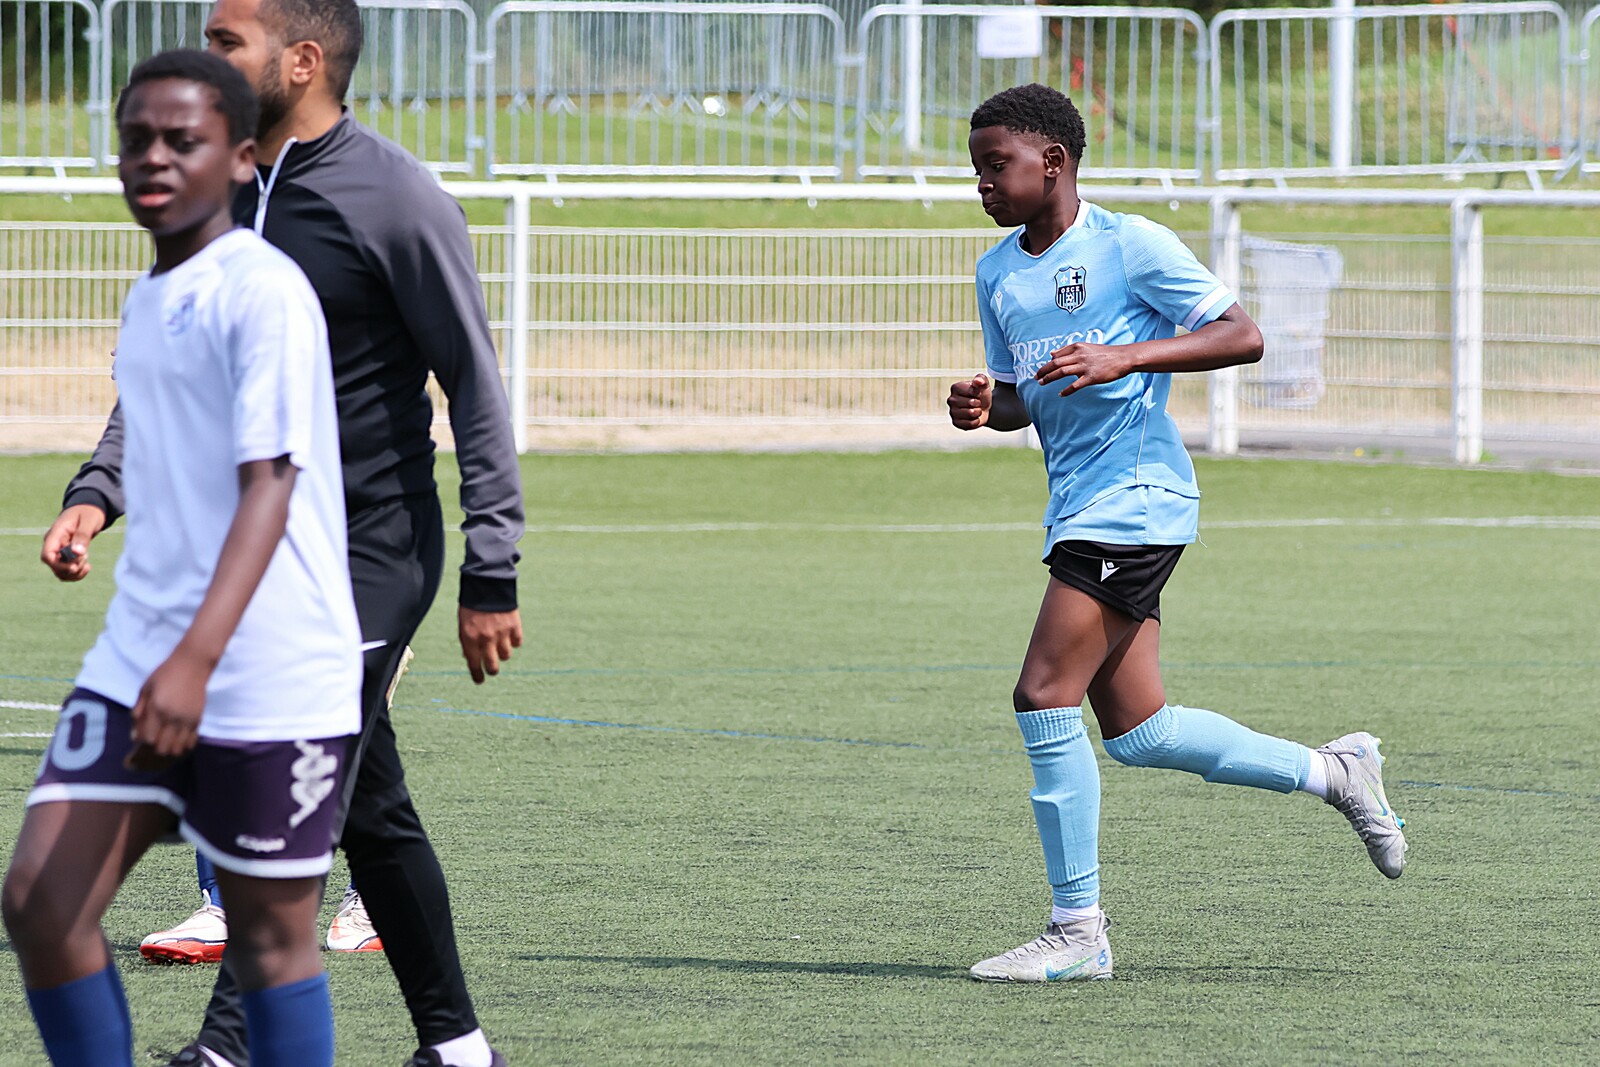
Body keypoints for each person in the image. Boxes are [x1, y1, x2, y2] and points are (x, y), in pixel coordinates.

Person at [40, 0, 523, 1063]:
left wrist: (492, 563)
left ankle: (225, 1047)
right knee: (368, 803)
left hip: (369, 551)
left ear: (301, 61)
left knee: (295, 797)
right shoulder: (217, 190)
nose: (204, 52)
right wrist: (101, 487)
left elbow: (476, 387)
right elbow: (175, 364)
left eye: (227, 40)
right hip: (247, 557)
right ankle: (458, 1045)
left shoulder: (395, 198)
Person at [945, 84, 1407, 983]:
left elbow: (1242, 335)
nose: (984, 184)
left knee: (1043, 692)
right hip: (1080, 506)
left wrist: (1125, 354)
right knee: (1140, 729)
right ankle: (1336, 771)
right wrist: (985, 405)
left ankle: (1078, 929)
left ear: (1055, 162)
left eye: (997, 165)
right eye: (978, 170)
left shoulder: (1130, 245)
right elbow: (1023, 397)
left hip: (1136, 499)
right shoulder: (997, 272)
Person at [4, 50, 358, 1066]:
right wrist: (93, 500)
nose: (152, 158)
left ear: (241, 157)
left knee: (270, 941)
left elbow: (268, 488)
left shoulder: (264, 291)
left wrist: (197, 661)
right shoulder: (152, 297)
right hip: (141, 653)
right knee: (41, 898)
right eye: (136, 139)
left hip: (266, 667)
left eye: (182, 140)